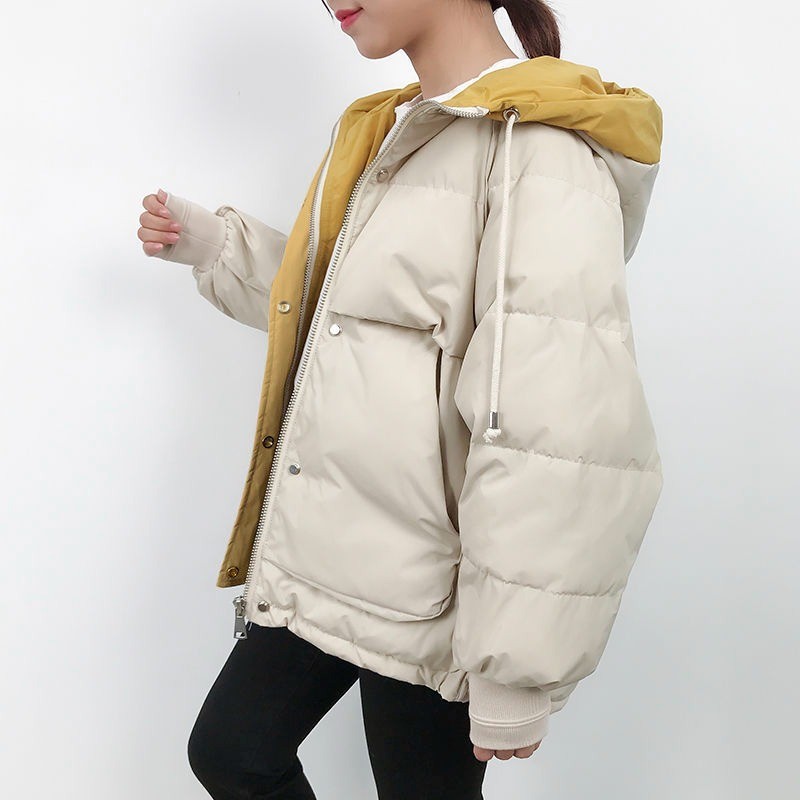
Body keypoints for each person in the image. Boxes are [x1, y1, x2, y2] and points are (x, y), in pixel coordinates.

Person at [137, 1, 664, 797]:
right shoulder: (393, 128)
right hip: (338, 555)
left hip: (440, 592)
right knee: (233, 752)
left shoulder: (539, 149)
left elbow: (558, 425)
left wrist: (515, 665)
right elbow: (350, 314)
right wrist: (219, 247)